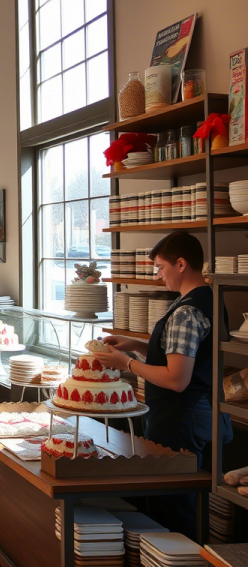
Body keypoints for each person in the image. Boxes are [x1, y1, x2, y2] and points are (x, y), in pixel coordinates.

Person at [93, 231, 232, 539]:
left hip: (181, 417)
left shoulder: (186, 311)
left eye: (160, 267)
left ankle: (185, 566)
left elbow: (176, 379)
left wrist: (126, 363)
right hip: (200, 411)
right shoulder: (209, 297)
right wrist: (135, 345)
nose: (158, 275)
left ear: (181, 264)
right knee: (180, 501)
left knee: (174, 507)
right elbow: (183, 359)